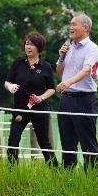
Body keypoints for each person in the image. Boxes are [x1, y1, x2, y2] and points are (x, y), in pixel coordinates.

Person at [56, 13, 98, 169]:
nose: (71, 27)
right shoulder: (68, 47)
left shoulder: (93, 49)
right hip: (66, 100)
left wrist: (67, 82)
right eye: (70, 24)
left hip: (85, 100)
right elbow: (59, 72)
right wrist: (61, 57)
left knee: (87, 141)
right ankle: (68, 176)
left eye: (74, 24)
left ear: (86, 28)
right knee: (67, 141)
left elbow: (86, 70)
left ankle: (93, 178)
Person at [4, 32, 57, 166]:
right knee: (13, 140)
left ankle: (56, 170)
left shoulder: (46, 67)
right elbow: (7, 82)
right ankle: (12, 170)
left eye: (32, 45)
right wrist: (10, 87)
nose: (28, 47)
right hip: (20, 109)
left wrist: (41, 97)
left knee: (44, 142)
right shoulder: (18, 63)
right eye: (27, 44)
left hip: (39, 109)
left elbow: (52, 89)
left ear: (39, 47)